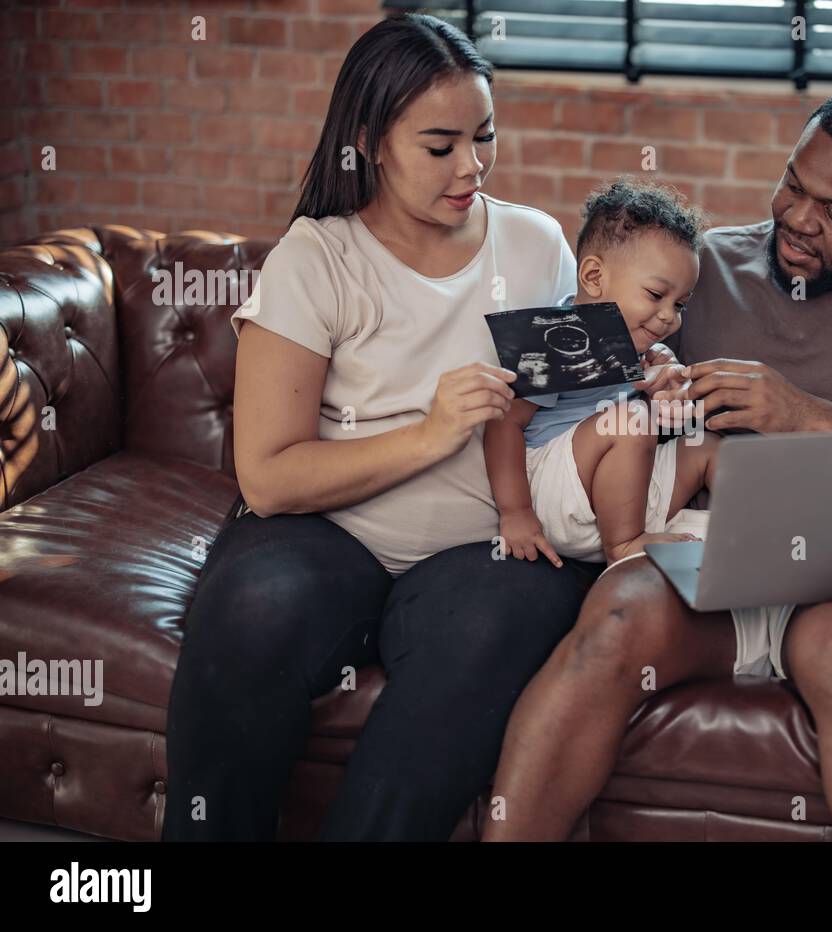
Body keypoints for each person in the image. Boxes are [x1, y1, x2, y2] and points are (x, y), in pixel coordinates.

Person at [482, 86, 832, 842]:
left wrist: (817, 421)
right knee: (616, 620)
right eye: (794, 186)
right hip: (714, 546)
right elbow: (555, 361)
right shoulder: (698, 275)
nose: (800, 220)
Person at [163, 14, 599, 841]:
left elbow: (561, 407)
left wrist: (639, 377)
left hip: (481, 551)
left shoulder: (537, 245)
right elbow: (268, 476)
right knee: (255, 608)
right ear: (369, 141)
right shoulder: (317, 258)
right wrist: (430, 435)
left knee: (494, 628)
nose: (471, 166)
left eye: (485, 137)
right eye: (441, 145)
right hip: (326, 531)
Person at [485, 179, 719, 567]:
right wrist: (516, 513)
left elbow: (653, 428)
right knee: (628, 421)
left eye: (680, 305)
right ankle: (625, 547)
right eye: (655, 295)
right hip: (556, 494)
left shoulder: (643, 348)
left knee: (709, 447)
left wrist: (667, 394)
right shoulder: (555, 339)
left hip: (623, 496)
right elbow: (502, 425)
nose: (668, 317)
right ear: (594, 277)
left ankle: (763, 528)